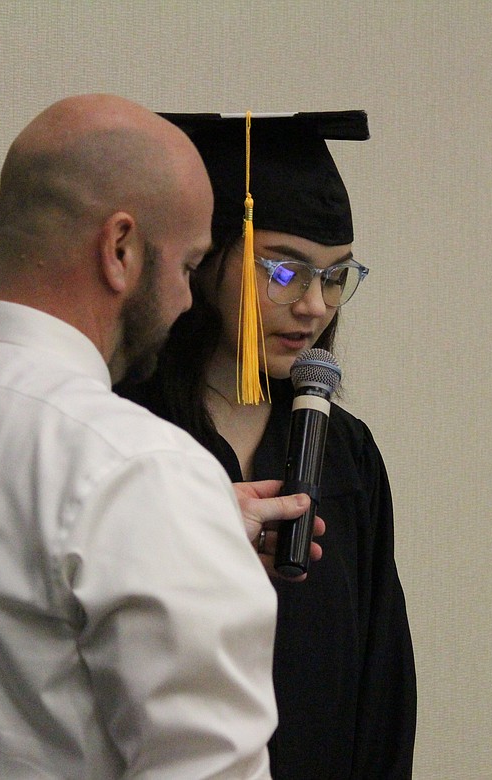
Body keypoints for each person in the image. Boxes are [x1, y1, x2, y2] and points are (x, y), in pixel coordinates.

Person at [0, 94, 307, 779]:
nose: (189, 301)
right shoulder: (140, 468)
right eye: (188, 268)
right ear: (120, 248)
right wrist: (176, 511)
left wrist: (187, 530)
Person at [119, 111, 418, 778]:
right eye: (283, 274)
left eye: (336, 277)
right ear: (205, 263)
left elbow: (381, 684)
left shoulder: (347, 456)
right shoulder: (125, 436)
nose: (314, 305)